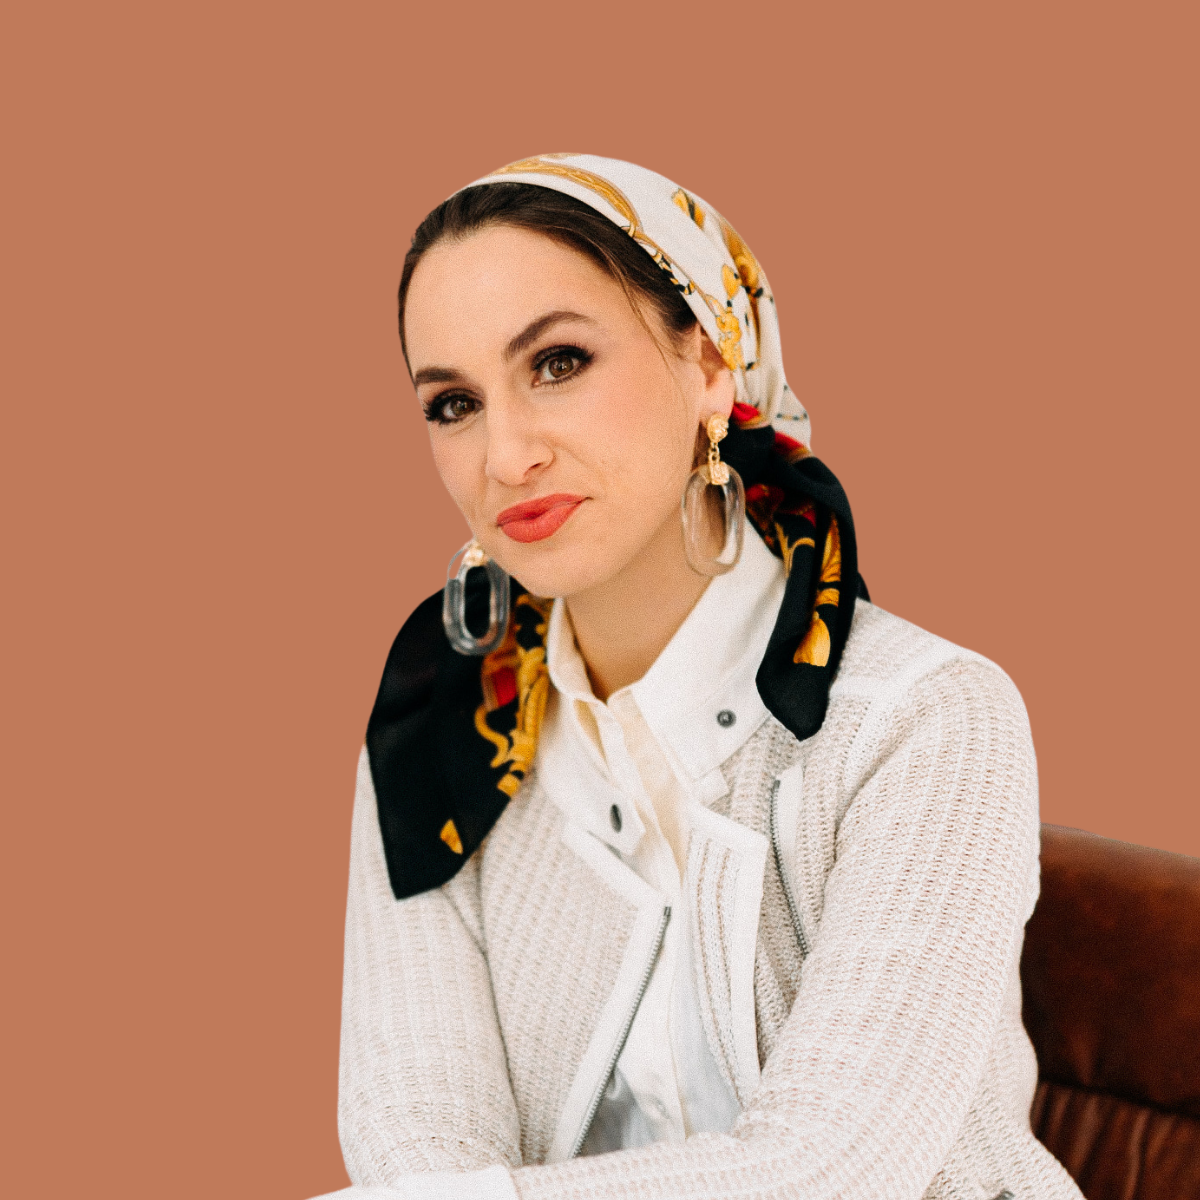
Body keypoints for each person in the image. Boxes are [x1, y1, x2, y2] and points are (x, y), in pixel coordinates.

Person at [312, 154, 1083, 1200]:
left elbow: (833, 1172)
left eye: (557, 363)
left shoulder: (926, 720)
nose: (506, 455)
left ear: (711, 361)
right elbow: (418, 1140)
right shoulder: (434, 736)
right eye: (453, 404)